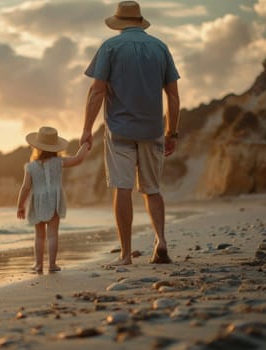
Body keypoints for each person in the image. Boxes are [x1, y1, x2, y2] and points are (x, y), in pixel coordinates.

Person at [81, 1, 180, 265]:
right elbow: (172, 94)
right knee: (152, 189)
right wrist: (172, 132)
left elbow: (97, 91)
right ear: (139, 21)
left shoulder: (110, 47)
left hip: (119, 130)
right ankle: (161, 240)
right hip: (152, 129)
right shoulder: (160, 47)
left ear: (119, 23)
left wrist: (87, 129)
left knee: (122, 188)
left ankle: (125, 254)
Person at [17, 126, 90, 272]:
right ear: (56, 147)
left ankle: (38, 265)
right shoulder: (59, 162)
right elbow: (78, 159)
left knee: (39, 236)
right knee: (52, 235)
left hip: (37, 202)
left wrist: (20, 205)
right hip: (54, 201)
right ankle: (52, 265)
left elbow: (25, 188)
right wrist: (86, 145)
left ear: (36, 148)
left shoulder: (30, 167)